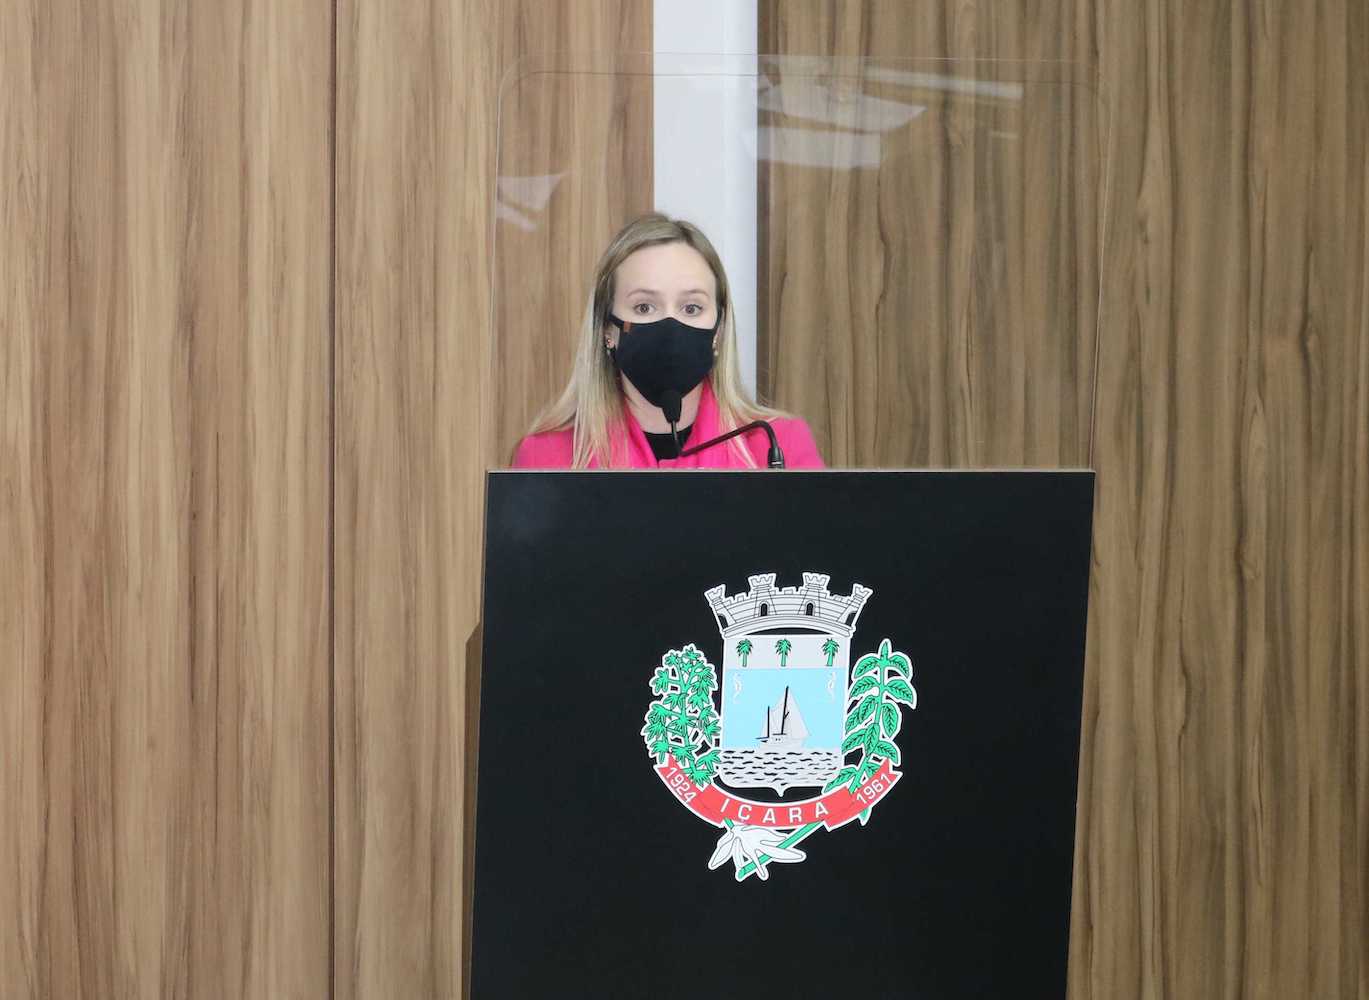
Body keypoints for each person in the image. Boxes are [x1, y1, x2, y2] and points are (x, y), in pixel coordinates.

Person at [510, 213, 824, 469]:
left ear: (719, 330)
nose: (671, 326)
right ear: (607, 329)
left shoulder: (776, 445)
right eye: (644, 307)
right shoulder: (547, 456)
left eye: (692, 308)